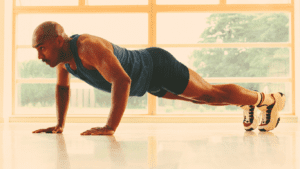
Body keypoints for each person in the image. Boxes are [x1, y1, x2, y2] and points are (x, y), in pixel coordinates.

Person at [31, 21, 285, 135]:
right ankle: (247, 102)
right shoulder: (65, 63)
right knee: (201, 100)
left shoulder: (87, 47)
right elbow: (62, 90)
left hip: (155, 66)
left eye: (41, 47)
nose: (39, 55)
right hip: (148, 82)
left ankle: (269, 100)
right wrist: (59, 124)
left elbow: (122, 81)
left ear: (58, 40)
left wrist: (110, 127)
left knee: (209, 94)